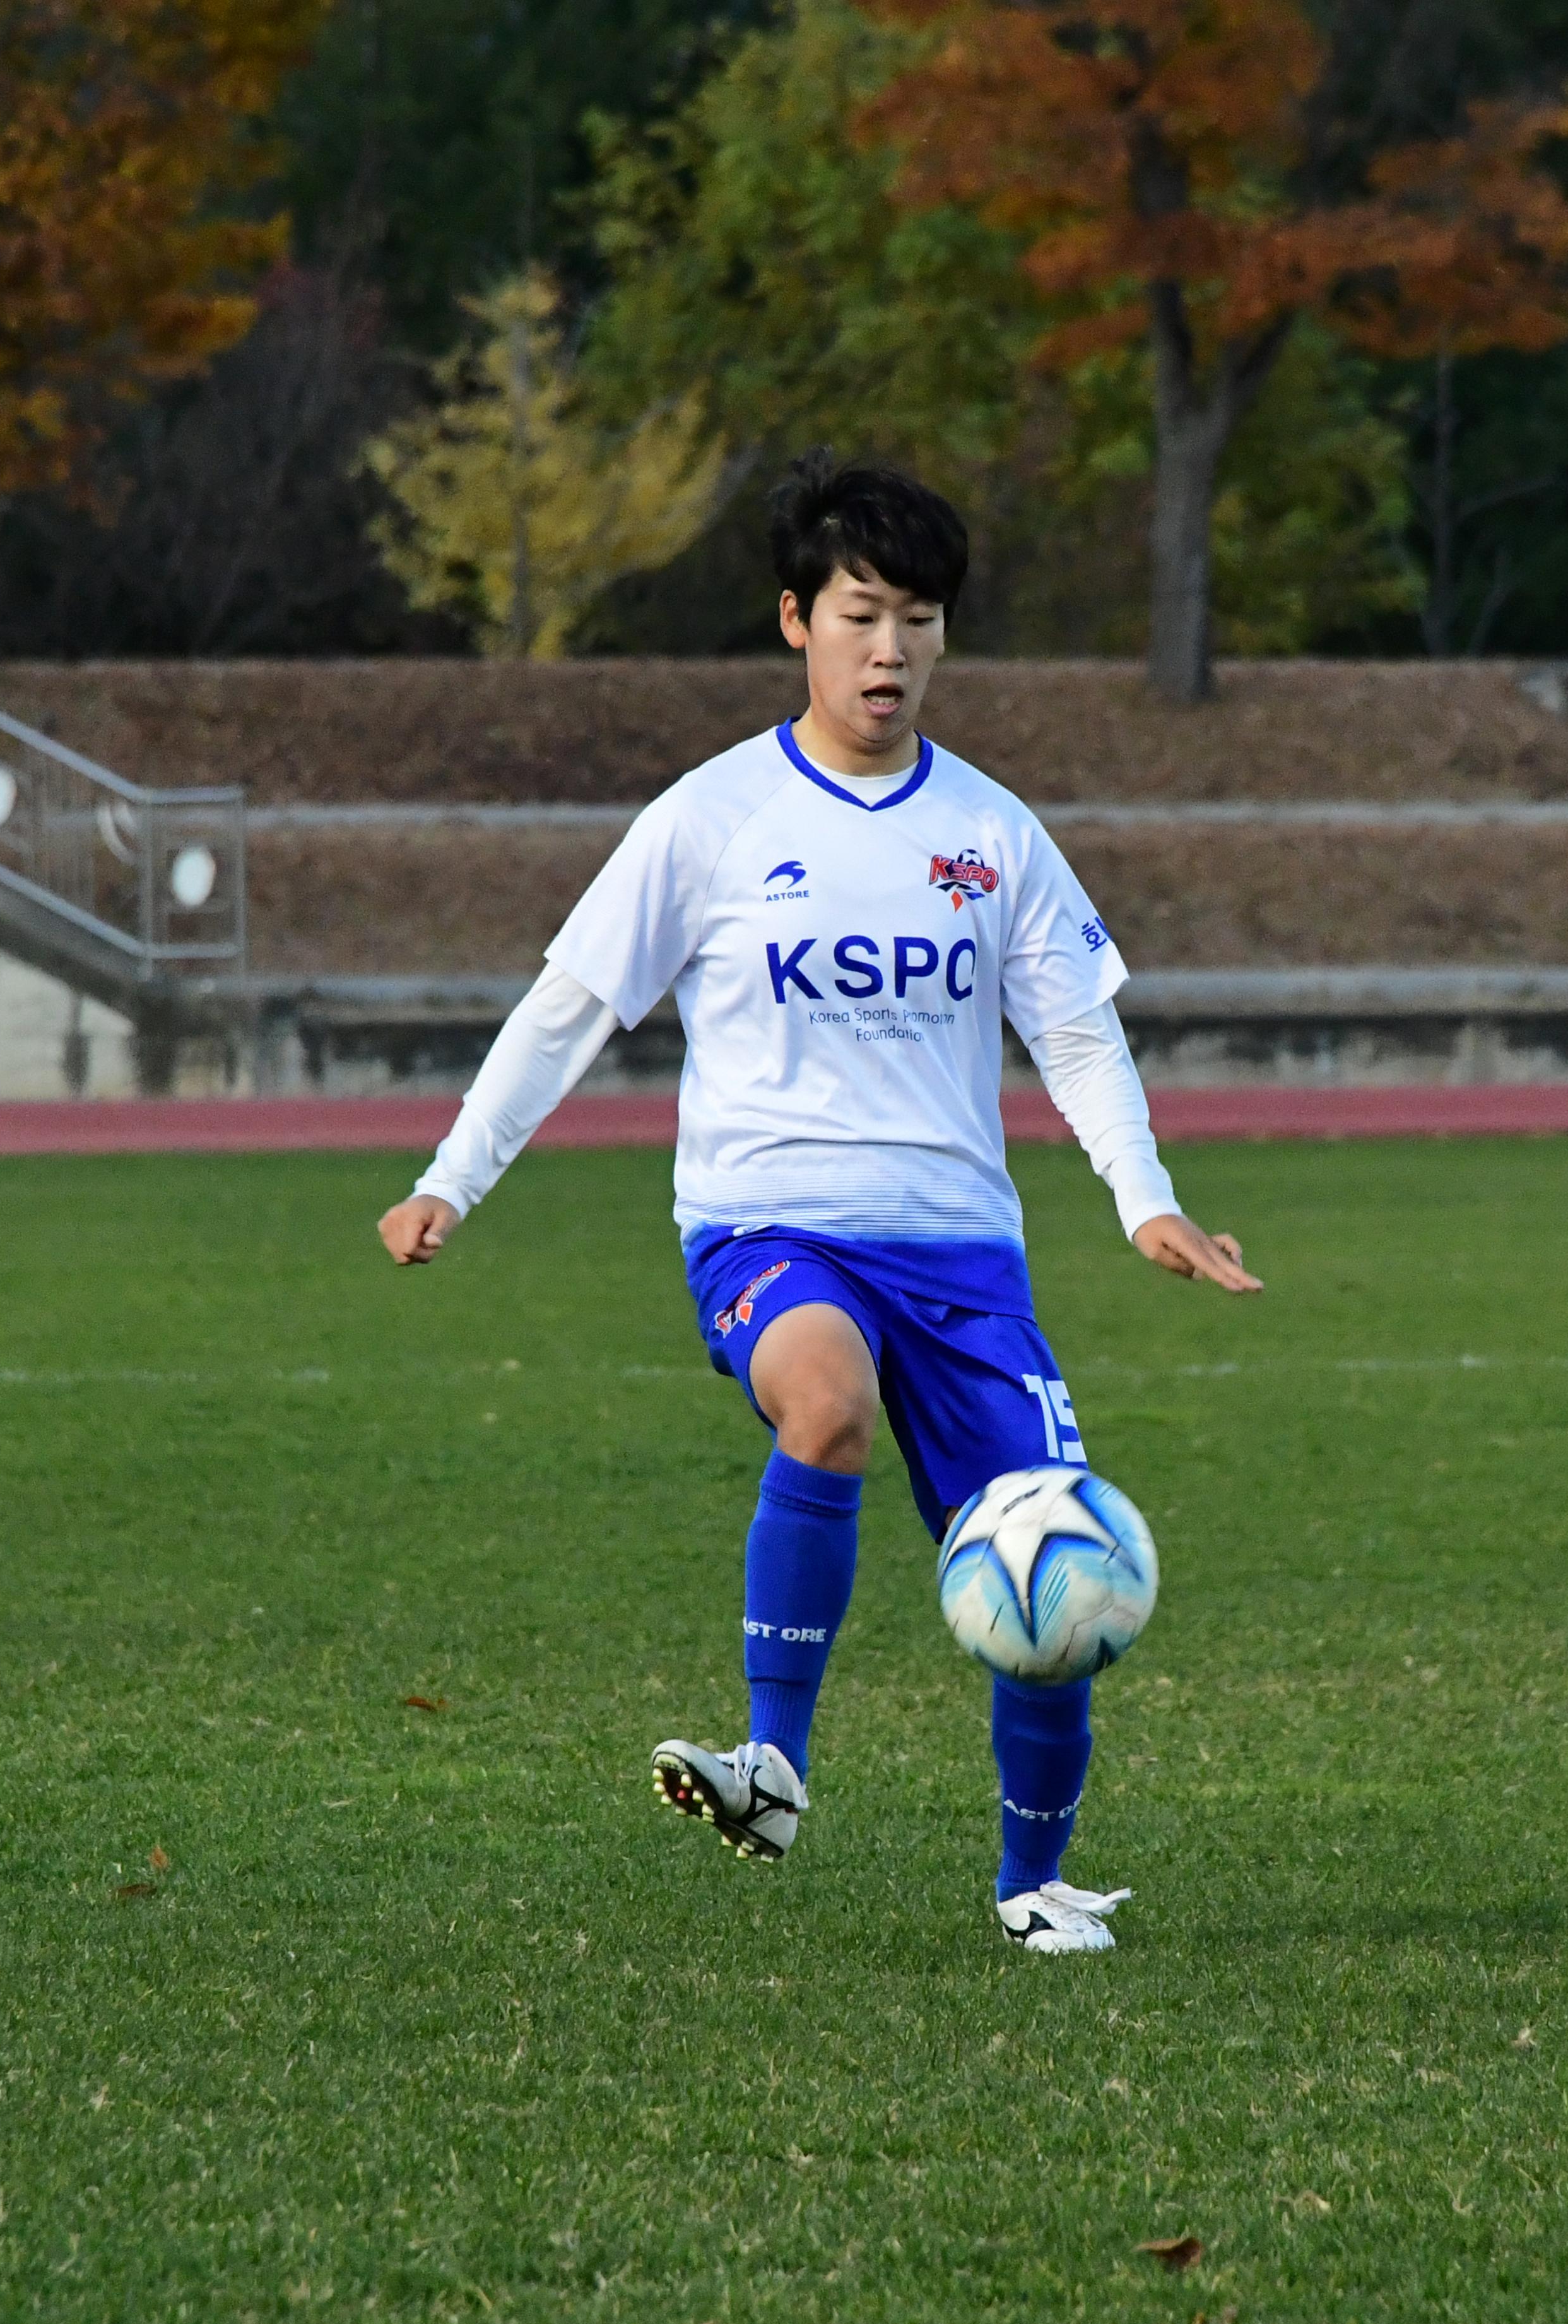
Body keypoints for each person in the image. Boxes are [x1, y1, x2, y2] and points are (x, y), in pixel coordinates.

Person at [375, 450, 1258, 1953]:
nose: (892, 649)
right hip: (769, 1226)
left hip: (966, 1258)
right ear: (797, 620)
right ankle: (772, 1760)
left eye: (920, 619)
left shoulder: (991, 833)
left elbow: (1077, 1031)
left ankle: (1032, 1884)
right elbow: (571, 1005)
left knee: (1054, 1572)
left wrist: (1145, 1201)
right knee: (826, 1401)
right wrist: (451, 1175)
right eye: (862, 613)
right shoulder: (712, 818)